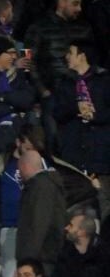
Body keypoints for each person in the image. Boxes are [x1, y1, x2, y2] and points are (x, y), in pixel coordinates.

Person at [54, 41, 110, 215]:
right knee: (74, 207)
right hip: (74, 154)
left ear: (82, 56)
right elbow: (57, 112)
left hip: (100, 154)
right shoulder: (64, 82)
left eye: (70, 52)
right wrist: (75, 108)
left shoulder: (104, 80)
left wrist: (95, 115)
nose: (66, 56)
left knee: (104, 204)